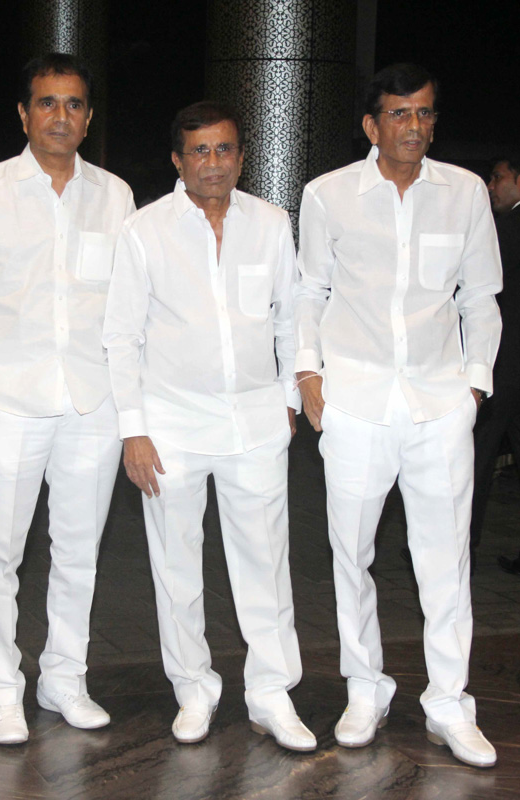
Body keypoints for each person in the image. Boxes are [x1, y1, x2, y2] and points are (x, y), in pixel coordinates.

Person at [294, 63, 501, 768]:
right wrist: (309, 378)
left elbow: (481, 299)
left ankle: (449, 702)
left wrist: (473, 389)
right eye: (400, 113)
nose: (414, 126)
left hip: (441, 406)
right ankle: (365, 687)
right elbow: (309, 293)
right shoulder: (328, 195)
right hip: (354, 404)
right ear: (371, 124)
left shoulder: (465, 192)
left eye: (424, 113)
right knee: (350, 554)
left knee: (446, 558)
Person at [0, 53, 135, 744]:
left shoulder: (115, 196)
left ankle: (64, 678)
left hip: (92, 404)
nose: (60, 116)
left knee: (79, 552)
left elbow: (128, 307)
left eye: (73, 104)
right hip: (5, 403)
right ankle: (0, 687)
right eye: (47, 102)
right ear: (23, 113)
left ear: (89, 117)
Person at [103, 101, 316, 751]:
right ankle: (193, 688)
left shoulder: (271, 223)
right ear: (177, 160)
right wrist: (133, 430)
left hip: (255, 423)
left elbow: (291, 316)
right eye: (199, 151)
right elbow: (121, 337)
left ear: (241, 157)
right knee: (177, 566)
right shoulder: (145, 230)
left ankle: (271, 693)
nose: (213, 163)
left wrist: (288, 397)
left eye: (224, 149)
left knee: (266, 565)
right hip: (170, 426)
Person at [471, 157, 520, 576]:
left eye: (499, 177)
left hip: (505, 365)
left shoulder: (505, 230)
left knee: (479, 456)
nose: (491, 186)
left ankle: (459, 549)